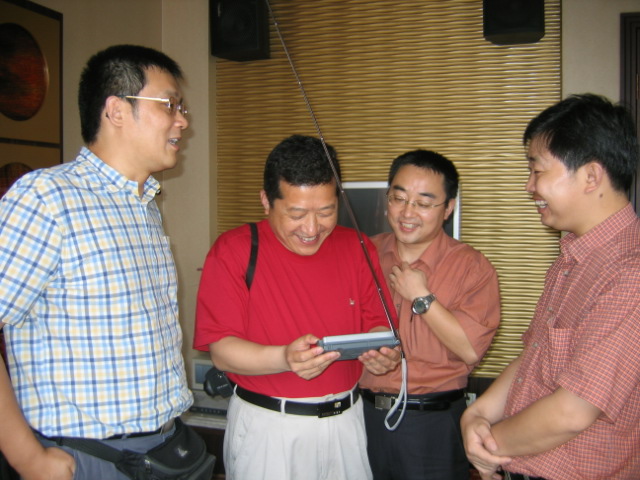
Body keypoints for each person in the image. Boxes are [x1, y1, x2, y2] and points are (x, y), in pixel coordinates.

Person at [0, 44, 194, 480]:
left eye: (181, 108)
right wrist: (29, 459)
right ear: (116, 111)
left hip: (159, 450)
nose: (182, 120)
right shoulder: (47, 198)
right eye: (169, 105)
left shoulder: (143, 206)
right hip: (85, 456)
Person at [194, 134, 402, 480]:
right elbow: (222, 352)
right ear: (266, 201)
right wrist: (284, 358)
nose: (312, 228)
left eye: (326, 212)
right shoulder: (234, 250)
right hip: (270, 430)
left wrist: (383, 351)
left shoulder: (357, 247)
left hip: (346, 423)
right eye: (296, 213)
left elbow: (379, 324)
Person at [461, 93, 640, 480]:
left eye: (537, 170)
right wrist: (476, 414)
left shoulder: (629, 273)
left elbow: (573, 412)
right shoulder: (572, 258)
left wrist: (488, 445)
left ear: (591, 176)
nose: (529, 186)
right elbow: (535, 355)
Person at [359, 150, 501, 480]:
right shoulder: (364, 253)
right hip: (362, 416)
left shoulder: (472, 267)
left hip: (431, 424)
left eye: (424, 203)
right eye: (399, 198)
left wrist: (421, 297)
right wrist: (367, 352)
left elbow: (469, 349)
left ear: (448, 208)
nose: (408, 212)